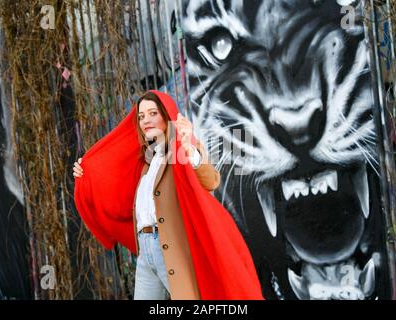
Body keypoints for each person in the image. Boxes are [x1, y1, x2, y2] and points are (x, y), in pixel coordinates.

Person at [73, 90, 263, 300]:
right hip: (145, 251)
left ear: (166, 115)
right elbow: (112, 180)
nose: (146, 120)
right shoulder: (146, 161)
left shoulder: (181, 151)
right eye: (141, 116)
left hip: (169, 247)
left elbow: (210, 181)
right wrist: (87, 173)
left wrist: (190, 149)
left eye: (153, 113)